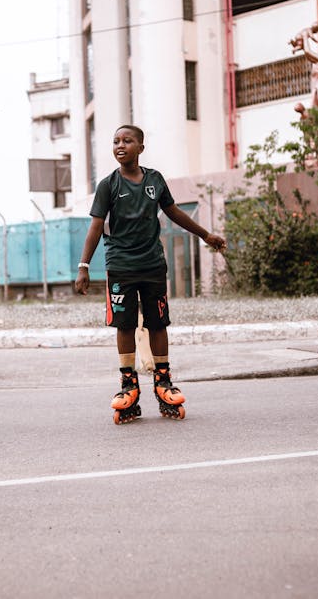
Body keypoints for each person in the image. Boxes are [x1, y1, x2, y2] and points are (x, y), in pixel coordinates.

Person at [75, 125, 226, 425]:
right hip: (120, 266)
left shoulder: (155, 180)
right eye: (116, 141)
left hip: (153, 265)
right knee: (124, 325)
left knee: (159, 323)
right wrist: (83, 266)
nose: (120, 145)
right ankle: (128, 384)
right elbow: (95, 226)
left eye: (127, 141)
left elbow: (174, 213)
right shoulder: (108, 185)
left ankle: (163, 381)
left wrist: (206, 235)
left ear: (140, 147)